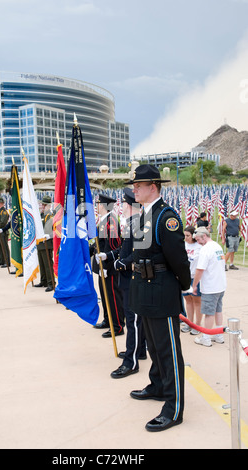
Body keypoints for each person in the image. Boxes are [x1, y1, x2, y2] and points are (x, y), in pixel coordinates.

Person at [128, 164, 191, 433]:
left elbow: (178, 258)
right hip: (144, 289)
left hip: (161, 290)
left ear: (153, 187)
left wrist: (184, 285)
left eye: (138, 186)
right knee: (154, 347)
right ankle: (157, 385)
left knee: (168, 352)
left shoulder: (166, 217)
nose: (134, 190)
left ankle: (173, 408)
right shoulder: (145, 215)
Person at [96, 188, 147, 378]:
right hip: (127, 278)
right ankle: (139, 350)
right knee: (135, 319)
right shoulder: (132, 223)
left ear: (128, 205)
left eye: (124, 203)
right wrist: (109, 255)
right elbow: (123, 249)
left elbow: (139, 252)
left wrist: (121, 263)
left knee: (132, 320)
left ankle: (131, 362)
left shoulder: (137, 224)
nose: (122, 207)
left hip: (132, 278)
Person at [92, 194, 125, 338]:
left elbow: (113, 246)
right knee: (105, 296)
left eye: (99, 203)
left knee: (113, 297)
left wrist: (105, 266)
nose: (97, 206)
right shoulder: (104, 220)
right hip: (102, 264)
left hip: (109, 266)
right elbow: (99, 243)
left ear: (104, 205)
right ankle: (108, 320)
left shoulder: (111, 222)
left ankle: (117, 326)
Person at [192, 226, 226, 347]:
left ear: (204, 236)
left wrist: (194, 285)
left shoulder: (205, 249)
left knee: (209, 312)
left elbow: (200, 269)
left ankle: (206, 337)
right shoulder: (217, 246)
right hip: (220, 285)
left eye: (198, 239)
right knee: (218, 310)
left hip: (211, 286)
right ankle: (218, 333)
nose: (197, 242)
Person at [182, 225, 203, 335]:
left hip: (195, 277)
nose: (186, 238)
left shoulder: (199, 246)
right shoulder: (183, 245)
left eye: (188, 236)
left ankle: (197, 325)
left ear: (193, 236)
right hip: (185, 276)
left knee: (196, 301)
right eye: (184, 235)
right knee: (188, 300)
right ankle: (189, 323)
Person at [34, 196, 54, 292]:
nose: (42, 206)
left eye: (43, 204)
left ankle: (51, 283)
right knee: (42, 263)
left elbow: (55, 230)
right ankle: (44, 280)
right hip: (40, 243)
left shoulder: (50, 215)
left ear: (48, 206)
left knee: (48, 264)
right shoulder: (41, 215)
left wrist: (49, 236)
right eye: (42, 204)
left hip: (47, 243)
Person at [0, 196, 10, 268]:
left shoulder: (4, 212)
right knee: (0, 247)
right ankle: (1, 260)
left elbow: (3, 222)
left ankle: (7, 262)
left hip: (3, 231)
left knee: (4, 247)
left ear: (1, 203)